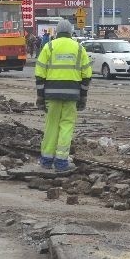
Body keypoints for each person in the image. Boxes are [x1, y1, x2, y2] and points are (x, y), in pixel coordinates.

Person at [34, 20, 92, 172]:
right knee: (66, 126)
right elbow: (86, 75)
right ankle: (61, 162)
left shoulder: (49, 46)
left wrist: (40, 96)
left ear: (57, 32)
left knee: (51, 125)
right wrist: (83, 97)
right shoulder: (79, 48)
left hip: (51, 95)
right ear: (71, 32)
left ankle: (46, 160)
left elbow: (39, 74)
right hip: (72, 95)